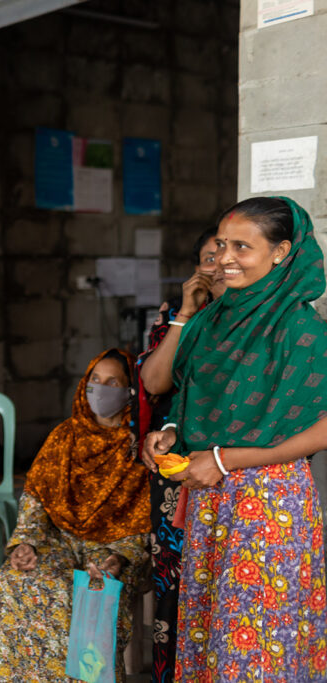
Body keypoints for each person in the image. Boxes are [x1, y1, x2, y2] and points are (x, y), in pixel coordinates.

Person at [143, 196, 327, 682]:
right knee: (212, 634)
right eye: (222, 244)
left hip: (268, 504)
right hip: (209, 499)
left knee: (257, 642)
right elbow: (188, 397)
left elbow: (324, 428)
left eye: (242, 247)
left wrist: (227, 460)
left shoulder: (302, 328)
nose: (225, 258)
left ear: (282, 252)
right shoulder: (213, 320)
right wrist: (169, 432)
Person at [0, 349, 150, 683]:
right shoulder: (65, 436)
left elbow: (143, 518)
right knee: (15, 582)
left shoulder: (138, 446)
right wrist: (28, 543)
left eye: (112, 382)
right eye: (95, 380)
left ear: (130, 392)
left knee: (94, 592)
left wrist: (119, 557)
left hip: (115, 546)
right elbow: (35, 497)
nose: (101, 389)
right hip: (58, 538)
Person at [135, 227, 226, 682]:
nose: (219, 266)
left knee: (220, 587)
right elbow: (154, 382)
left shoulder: (259, 323)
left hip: (229, 469)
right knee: (173, 584)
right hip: (174, 465)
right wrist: (186, 314)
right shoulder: (180, 316)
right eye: (210, 258)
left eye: (227, 254)